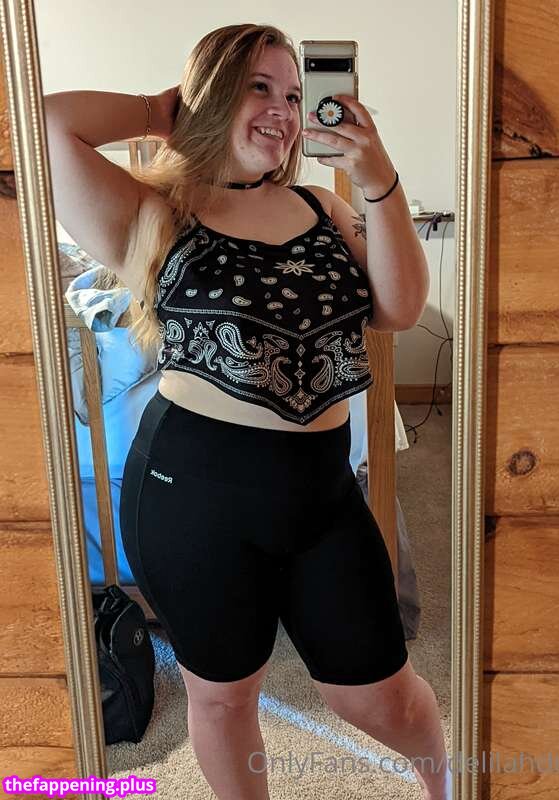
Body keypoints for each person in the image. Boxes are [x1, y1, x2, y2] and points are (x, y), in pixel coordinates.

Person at [45, 23, 450, 800]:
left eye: (294, 95)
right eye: (258, 88)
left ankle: (446, 786)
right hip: (191, 501)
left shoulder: (323, 207)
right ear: (212, 94)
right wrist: (159, 110)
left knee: (383, 699)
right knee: (225, 699)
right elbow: (46, 121)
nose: (283, 111)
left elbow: (399, 308)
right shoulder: (154, 212)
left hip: (325, 499)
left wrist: (377, 178)